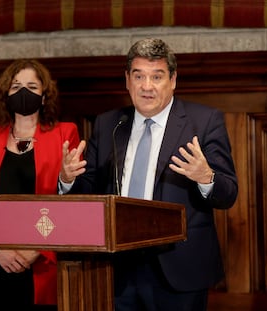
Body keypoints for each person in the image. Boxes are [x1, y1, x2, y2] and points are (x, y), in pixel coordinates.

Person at [60, 38, 238, 311]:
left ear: (173, 80)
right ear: (127, 80)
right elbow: (89, 190)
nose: (146, 86)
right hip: (116, 269)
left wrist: (206, 177)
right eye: (139, 76)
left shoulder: (204, 121)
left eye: (157, 76)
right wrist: (68, 180)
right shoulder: (109, 123)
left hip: (179, 270)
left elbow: (228, 193)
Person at [0, 59, 81, 311]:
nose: (23, 92)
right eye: (16, 86)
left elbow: (72, 202)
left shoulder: (65, 133)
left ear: (44, 94)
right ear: (6, 94)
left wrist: (38, 249)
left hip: (43, 261)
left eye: (31, 86)